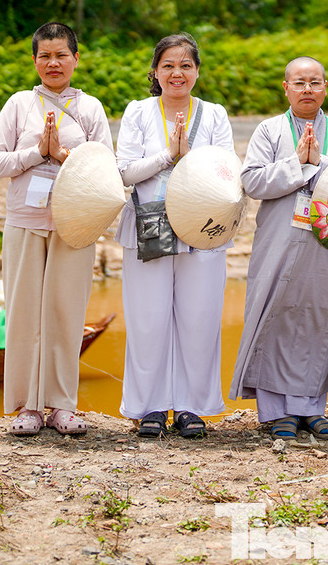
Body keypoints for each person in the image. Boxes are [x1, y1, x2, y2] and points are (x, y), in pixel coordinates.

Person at [0, 22, 112, 436]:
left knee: (65, 312)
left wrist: (65, 154)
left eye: (61, 55)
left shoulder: (90, 107)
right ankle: (25, 407)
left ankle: (60, 406)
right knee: (23, 314)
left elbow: (107, 169)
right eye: (44, 56)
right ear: (34, 60)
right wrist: (37, 152)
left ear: (76, 58)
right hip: (25, 222)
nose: (53, 63)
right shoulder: (19, 104)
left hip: (74, 224)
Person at [230, 56, 328, 439]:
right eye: (300, 82)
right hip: (279, 238)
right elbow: (252, 182)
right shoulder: (269, 130)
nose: (308, 89)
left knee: (322, 315)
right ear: (285, 87)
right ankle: (276, 411)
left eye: (315, 82)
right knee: (276, 312)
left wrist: (319, 162)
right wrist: (297, 164)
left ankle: (311, 407)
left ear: (325, 88)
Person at [115, 33, 235, 439]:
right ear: (155, 71)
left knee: (198, 318)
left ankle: (191, 407)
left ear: (197, 71)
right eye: (168, 65)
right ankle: (149, 407)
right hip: (148, 226)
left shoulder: (214, 114)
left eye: (185, 65)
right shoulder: (139, 112)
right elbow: (125, 171)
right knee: (148, 319)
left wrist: (192, 159)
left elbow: (226, 170)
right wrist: (168, 155)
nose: (177, 73)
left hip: (203, 227)